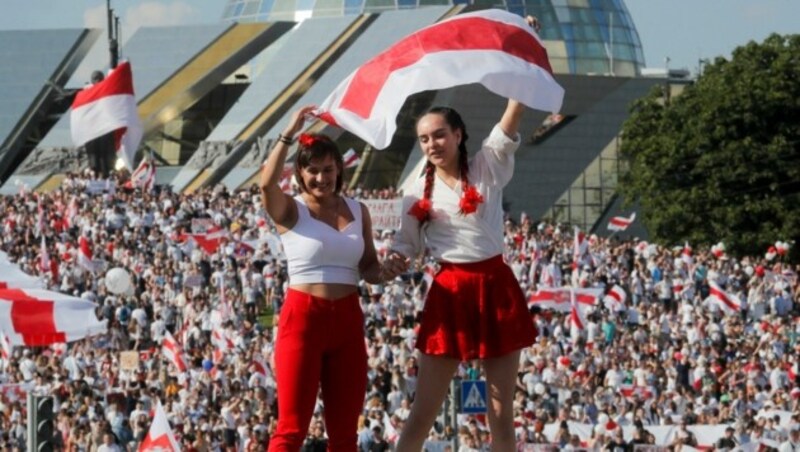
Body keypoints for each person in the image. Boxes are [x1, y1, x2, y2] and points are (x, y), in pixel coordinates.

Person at [389, 18, 540, 451]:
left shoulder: (488, 165)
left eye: (439, 135)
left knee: (500, 413)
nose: (432, 144)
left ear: (458, 135)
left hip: (495, 286)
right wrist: (394, 259)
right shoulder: (415, 189)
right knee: (423, 412)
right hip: (450, 290)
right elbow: (407, 244)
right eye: (423, 139)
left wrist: (524, 45)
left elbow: (515, 109)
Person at [259, 105, 391, 451]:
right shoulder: (291, 209)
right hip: (303, 318)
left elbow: (369, 267)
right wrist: (289, 133)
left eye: (328, 169)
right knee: (291, 429)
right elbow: (266, 183)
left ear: (339, 169)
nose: (321, 178)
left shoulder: (358, 209)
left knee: (345, 433)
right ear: (300, 174)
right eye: (312, 171)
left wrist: (388, 271)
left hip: (348, 319)